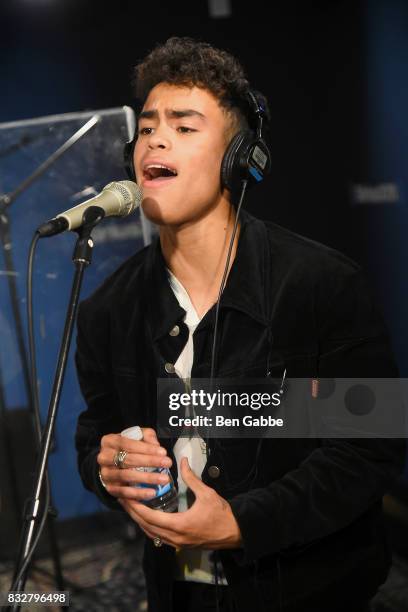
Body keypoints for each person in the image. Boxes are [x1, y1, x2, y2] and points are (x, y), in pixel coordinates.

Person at [75, 37, 405, 612]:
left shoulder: (320, 283)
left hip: (314, 593)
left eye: (184, 126)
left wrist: (237, 523)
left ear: (236, 159)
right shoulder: (107, 308)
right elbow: (95, 431)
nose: (156, 137)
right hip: (178, 594)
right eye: (148, 126)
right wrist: (107, 469)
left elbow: (368, 450)